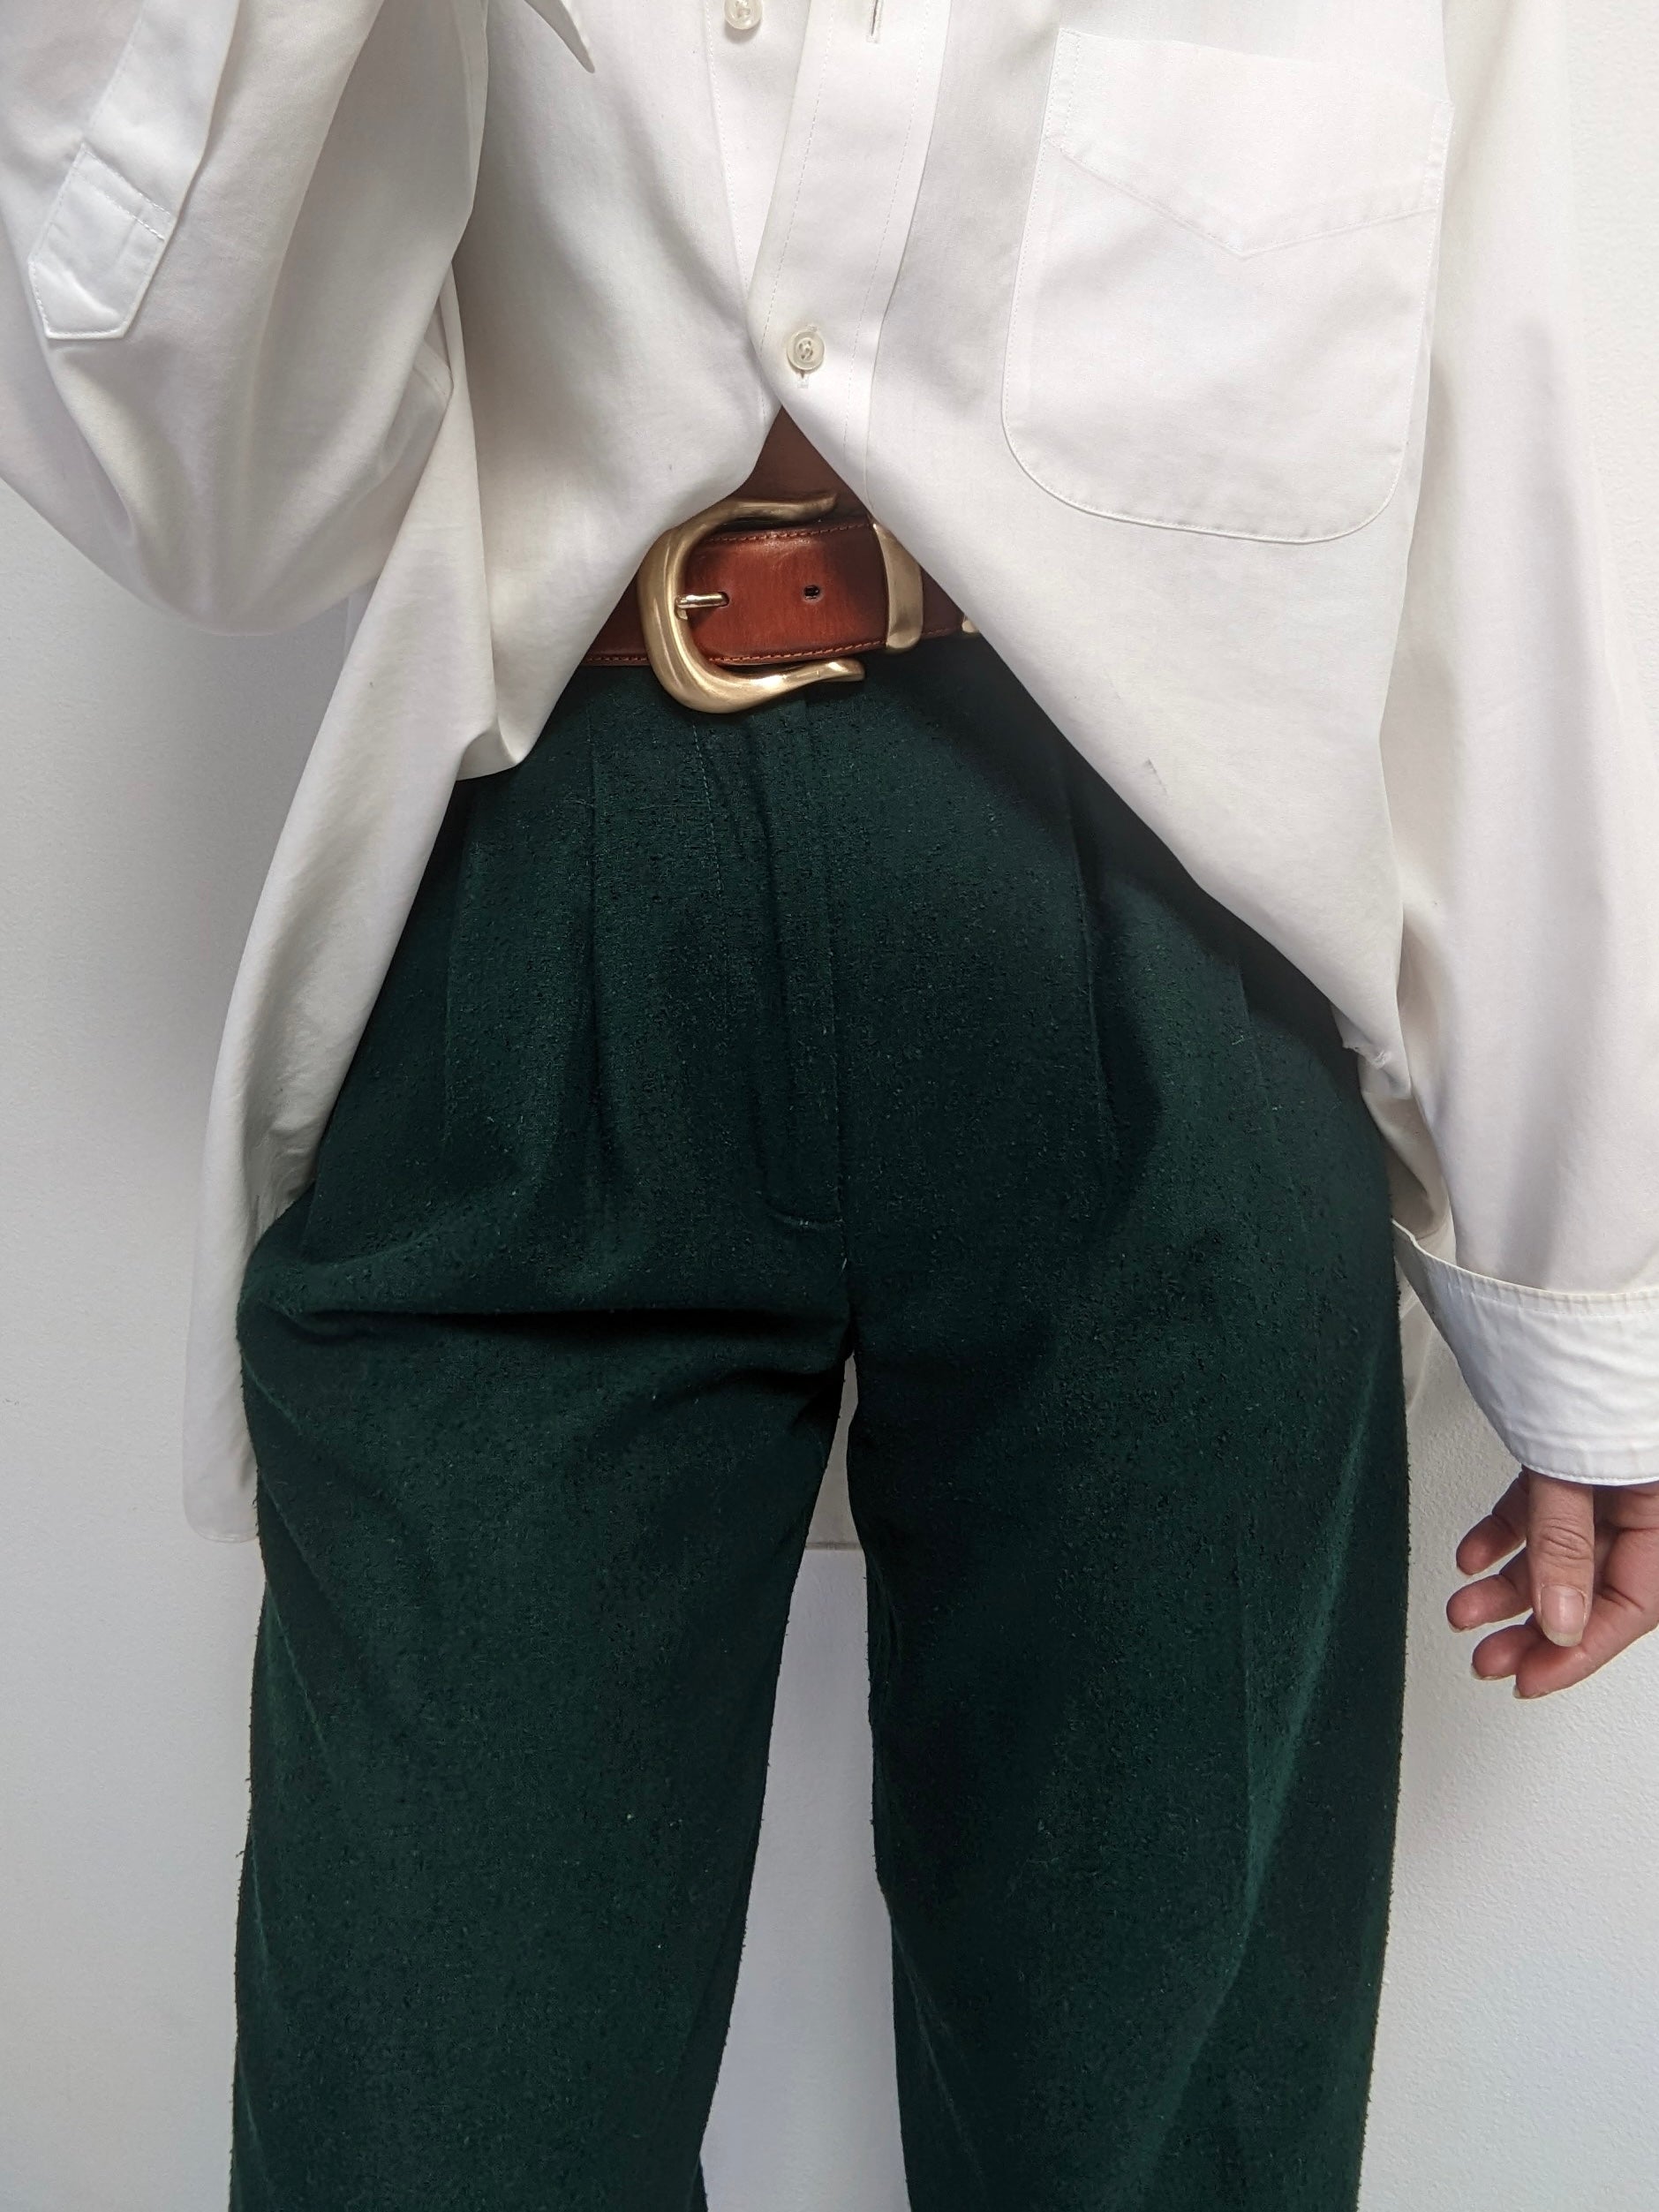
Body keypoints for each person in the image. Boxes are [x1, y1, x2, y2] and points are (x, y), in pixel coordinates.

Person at [4, 2, 1657, 2206]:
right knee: (420, 2125)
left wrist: (1584, 1270)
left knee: (1168, 2148)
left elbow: (1526, 404)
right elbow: (202, 503)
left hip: (1169, 945)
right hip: (549, 906)